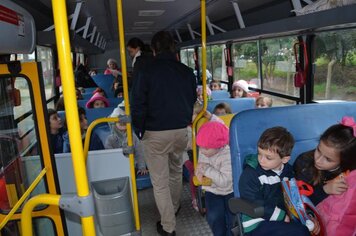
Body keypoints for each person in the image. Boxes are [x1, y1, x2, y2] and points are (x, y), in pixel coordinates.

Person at [131, 31, 197, 236]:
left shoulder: (146, 70)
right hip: (180, 131)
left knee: (159, 182)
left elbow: (138, 104)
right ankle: (174, 208)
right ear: (173, 47)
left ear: (154, 49)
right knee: (176, 172)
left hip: (155, 132)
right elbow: (192, 98)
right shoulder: (187, 72)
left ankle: (168, 227)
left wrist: (139, 129)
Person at [239, 127, 309, 236]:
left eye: (268, 157)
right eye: (259, 153)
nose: (261, 160)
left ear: (284, 159)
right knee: (300, 232)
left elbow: (292, 195)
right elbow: (251, 203)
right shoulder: (251, 174)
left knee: (305, 229)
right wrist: (280, 216)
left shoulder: (288, 171)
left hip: (281, 218)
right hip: (257, 222)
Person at [294, 116, 356, 205]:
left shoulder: (351, 171)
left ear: (344, 161)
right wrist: (325, 190)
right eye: (318, 150)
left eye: (328, 159)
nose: (318, 160)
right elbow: (298, 202)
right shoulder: (304, 163)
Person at [195, 121, 234, 236]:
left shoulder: (227, 155)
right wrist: (199, 172)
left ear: (219, 146)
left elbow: (225, 182)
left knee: (232, 219)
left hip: (229, 192)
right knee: (214, 217)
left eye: (205, 148)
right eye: (200, 147)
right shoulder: (205, 150)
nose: (201, 151)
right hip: (212, 191)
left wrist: (206, 170)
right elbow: (201, 165)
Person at [105, 107, 148, 175]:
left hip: (133, 166)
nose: (122, 122)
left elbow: (139, 153)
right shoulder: (110, 140)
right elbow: (110, 157)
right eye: (119, 121)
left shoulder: (133, 137)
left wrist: (142, 167)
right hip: (117, 168)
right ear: (113, 124)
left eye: (125, 121)